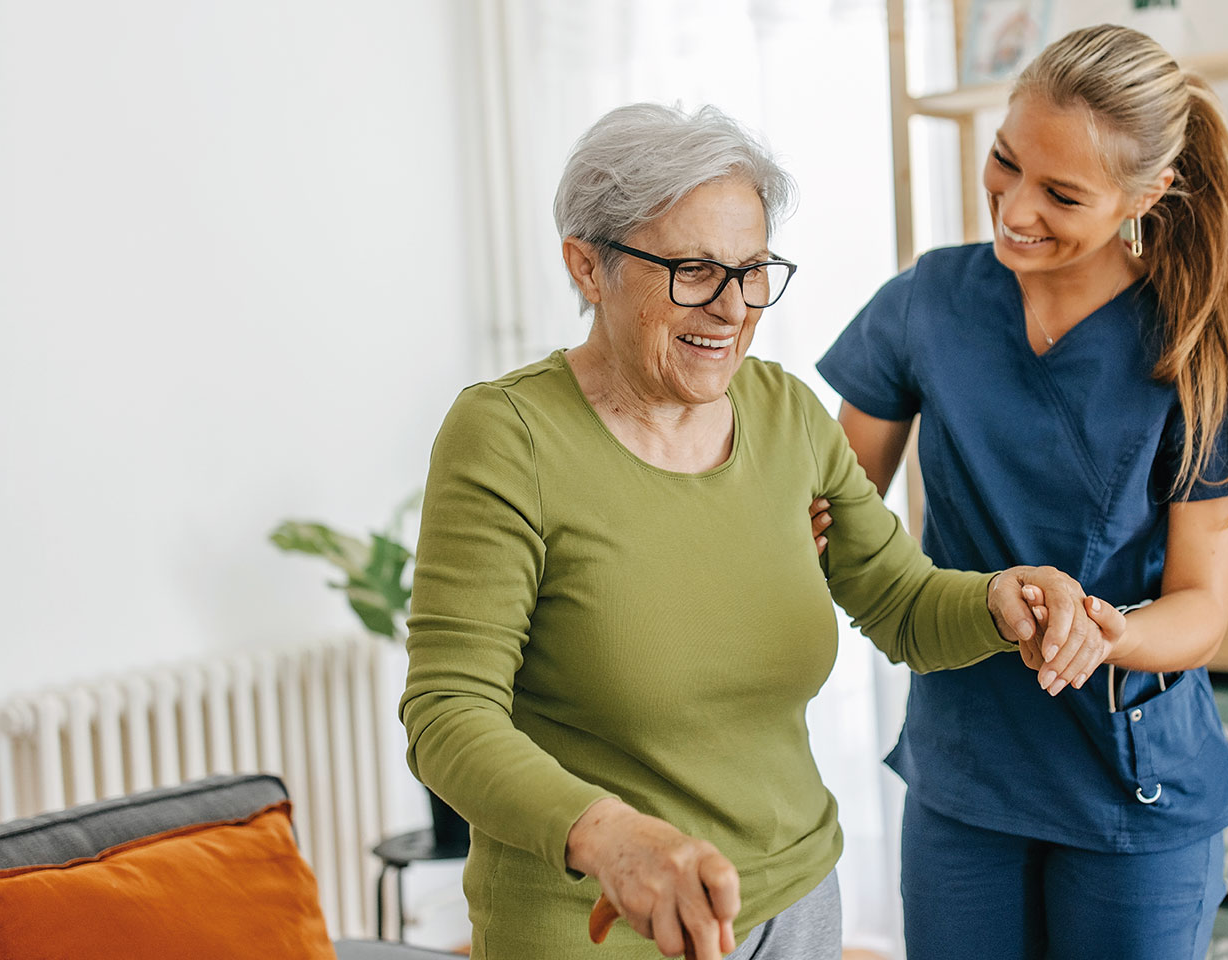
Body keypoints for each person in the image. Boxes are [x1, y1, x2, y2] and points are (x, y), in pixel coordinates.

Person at [400, 102, 1123, 960]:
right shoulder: (508, 437)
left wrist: (1000, 601)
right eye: (694, 270)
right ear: (586, 268)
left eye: (751, 270)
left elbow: (898, 600)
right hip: (600, 916)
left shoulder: (783, 411)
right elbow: (448, 713)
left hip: (795, 901)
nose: (733, 307)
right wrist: (610, 838)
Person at [815, 24, 1228, 960]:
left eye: (1061, 193)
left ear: (1145, 195)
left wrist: (1110, 631)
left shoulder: (1197, 353)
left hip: (1127, 787)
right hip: (964, 772)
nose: (1015, 207)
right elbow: (835, 512)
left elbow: (1201, 607)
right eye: (1004, 163)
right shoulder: (927, 304)